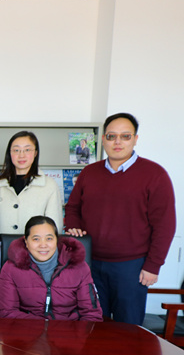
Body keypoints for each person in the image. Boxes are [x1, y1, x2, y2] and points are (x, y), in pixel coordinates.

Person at [65, 113, 175, 325]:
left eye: (125, 136)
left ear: (135, 139)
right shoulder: (89, 172)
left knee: (129, 328)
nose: (117, 142)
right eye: (111, 136)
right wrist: (73, 227)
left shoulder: (155, 174)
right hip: (89, 263)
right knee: (92, 325)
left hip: (132, 267)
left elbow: (165, 225)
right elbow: (72, 208)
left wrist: (153, 265)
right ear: (103, 139)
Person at [0, 216, 102, 321]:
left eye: (49, 238)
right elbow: (6, 312)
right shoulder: (11, 268)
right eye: (36, 239)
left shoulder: (79, 267)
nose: (43, 245)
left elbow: (91, 314)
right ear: (26, 241)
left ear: (57, 240)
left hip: (69, 329)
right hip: (28, 329)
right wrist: (43, 326)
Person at [0, 131, 63, 233]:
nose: (21, 155)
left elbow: (55, 227)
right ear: (10, 153)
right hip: (3, 243)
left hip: (36, 244)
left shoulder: (49, 185)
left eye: (27, 150)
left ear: (35, 153)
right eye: (16, 150)